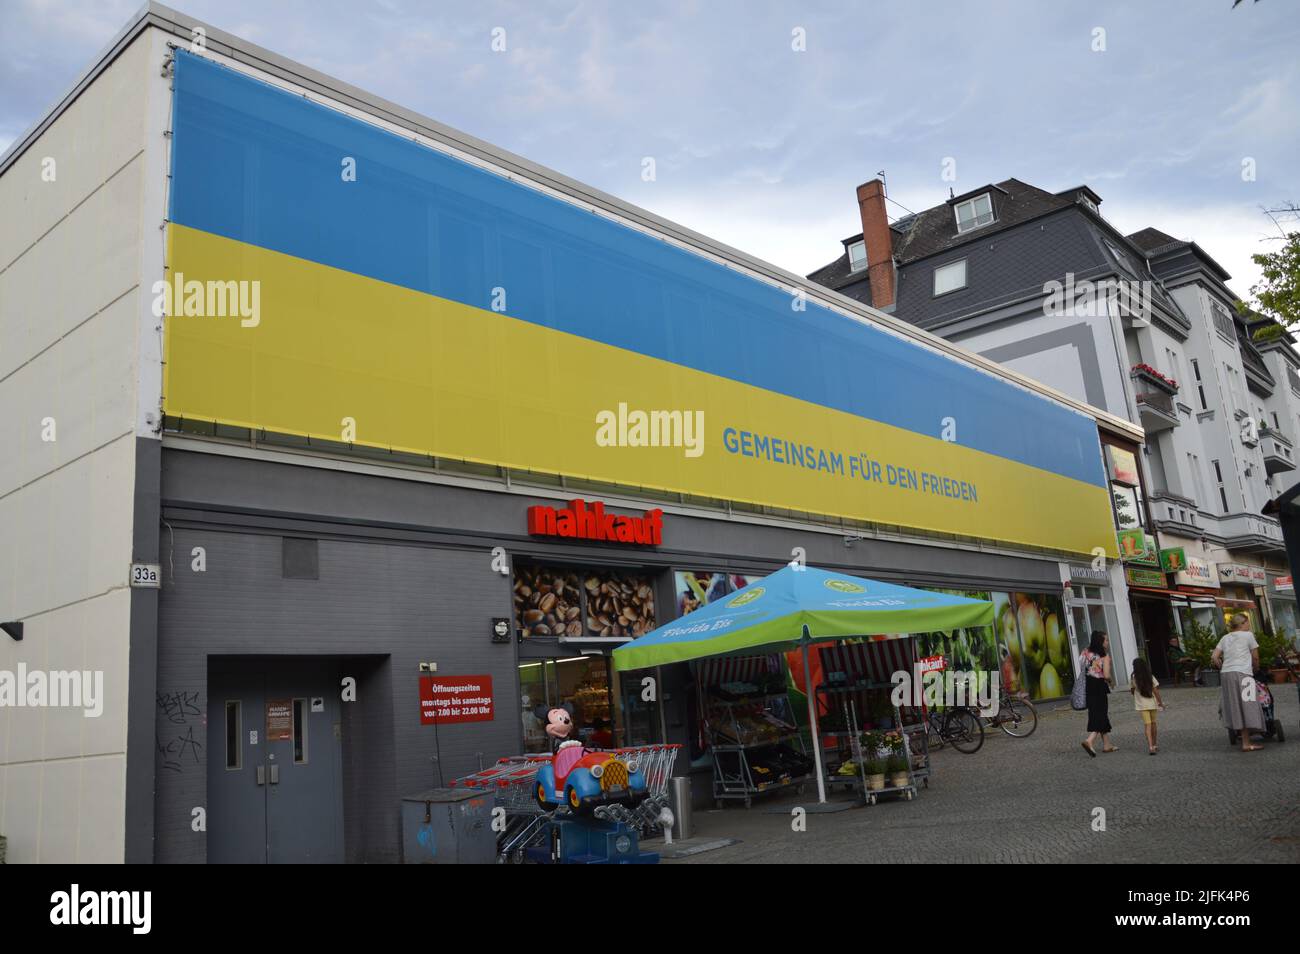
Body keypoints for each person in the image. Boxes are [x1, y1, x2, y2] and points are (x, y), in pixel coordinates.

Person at [1212, 614, 1265, 752]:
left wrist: (1222, 666)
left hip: (1226, 674)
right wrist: (1256, 668)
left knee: (1235, 705)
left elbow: (1214, 656)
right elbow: (1255, 657)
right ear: (1242, 623)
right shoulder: (1248, 635)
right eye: (1247, 622)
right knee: (1248, 704)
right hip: (1243, 673)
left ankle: (1244, 738)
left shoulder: (1225, 638)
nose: (1249, 625)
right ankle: (1247, 743)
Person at [1080, 630, 1116, 757]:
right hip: (1100, 687)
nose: (1107, 642)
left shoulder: (1085, 652)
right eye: (1106, 640)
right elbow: (1106, 675)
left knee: (1096, 713)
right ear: (1100, 642)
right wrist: (1111, 682)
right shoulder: (1104, 656)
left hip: (1089, 686)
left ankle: (1107, 745)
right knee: (1101, 714)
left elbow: (1082, 667)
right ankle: (1090, 740)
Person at [1129, 657, 1165, 755]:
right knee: (1153, 724)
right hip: (1152, 704)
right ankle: (1154, 744)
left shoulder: (1133, 677)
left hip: (1142, 705)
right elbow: (1156, 691)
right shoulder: (1150, 676)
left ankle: (1150, 746)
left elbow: (1132, 690)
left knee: (1147, 725)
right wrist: (1160, 702)